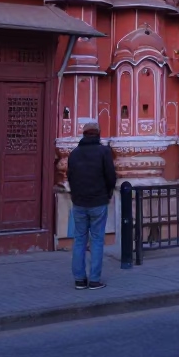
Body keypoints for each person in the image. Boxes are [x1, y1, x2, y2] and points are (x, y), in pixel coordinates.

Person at [66, 122, 116, 290]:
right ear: (98, 134)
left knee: (79, 240)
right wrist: (108, 194)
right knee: (96, 241)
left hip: (79, 202)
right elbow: (111, 176)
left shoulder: (74, 154)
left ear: (84, 134)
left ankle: (79, 280)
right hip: (98, 202)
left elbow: (70, 177)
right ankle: (94, 279)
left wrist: (75, 195)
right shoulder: (104, 152)